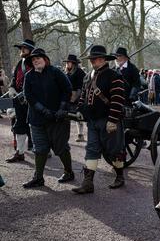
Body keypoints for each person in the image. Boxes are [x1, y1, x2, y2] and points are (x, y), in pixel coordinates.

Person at [72, 45, 126, 194]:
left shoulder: (114, 76)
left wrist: (113, 119)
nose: (92, 61)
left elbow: (118, 100)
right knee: (91, 149)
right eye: (91, 59)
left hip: (108, 120)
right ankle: (88, 183)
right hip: (92, 121)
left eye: (94, 59)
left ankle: (120, 177)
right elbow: (83, 97)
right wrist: (80, 110)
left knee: (114, 151)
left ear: (102, 59)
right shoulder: (87, 76)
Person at [22, 48, 74, 188]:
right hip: (37, 119)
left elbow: (67, 89)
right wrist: (43, 110)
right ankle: (38, 178)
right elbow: (28, 96)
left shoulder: (55, 72)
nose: (36, 61)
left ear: (45, 59)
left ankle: (69, 172)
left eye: (38, 58)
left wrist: (62, 108)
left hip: (57, 119)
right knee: (40, 149)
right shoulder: (29, 76)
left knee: (61, 147)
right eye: (33, 60)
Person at [5, 39, 35, 163]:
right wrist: (12, 87)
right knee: (19, 126)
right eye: (21, 48)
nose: (22, 50)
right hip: (19, 100)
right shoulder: (20, 62)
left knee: (36, 126)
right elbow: (14, 78)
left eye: (24, 48)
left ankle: (44, 149)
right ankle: (20, 152)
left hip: (32, 101)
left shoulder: (35, 62)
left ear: (30, 50)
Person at [63, 54, 87, 142]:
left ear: (73, 63)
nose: (67, 64)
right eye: (67, 62)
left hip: (78, 96)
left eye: (68, 62)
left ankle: (80, 134)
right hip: (67, 97)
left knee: (78, 116)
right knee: (67, 117)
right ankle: (65, 137)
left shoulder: (80, 72)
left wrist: (76, 97)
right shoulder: (66, 73)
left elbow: (82, 87)